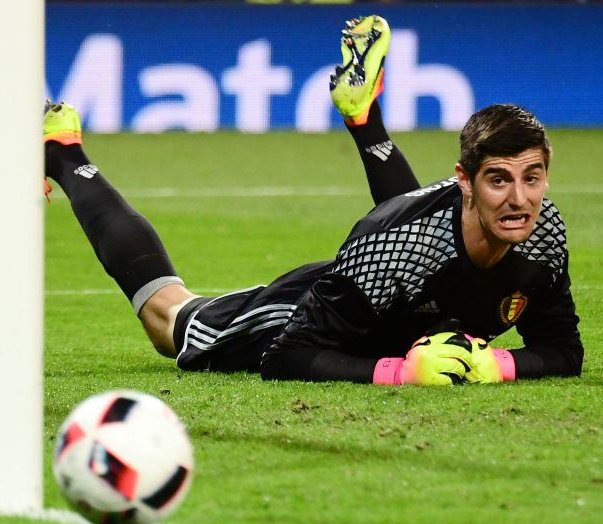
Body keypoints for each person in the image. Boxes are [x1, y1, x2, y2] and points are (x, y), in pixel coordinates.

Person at [43, 15, 583, 385]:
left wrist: (498, 366)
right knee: (170, 320)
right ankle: (64, 150)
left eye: (533, 178)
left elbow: (564, 351)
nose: (520, 199)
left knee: (419, 241)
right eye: (499, 180)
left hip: (399, 288)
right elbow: (287, 356)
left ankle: (363, 117)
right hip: (314, 309)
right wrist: (400, 372)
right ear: (465, 180)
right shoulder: (391, 249)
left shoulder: (544, 233)